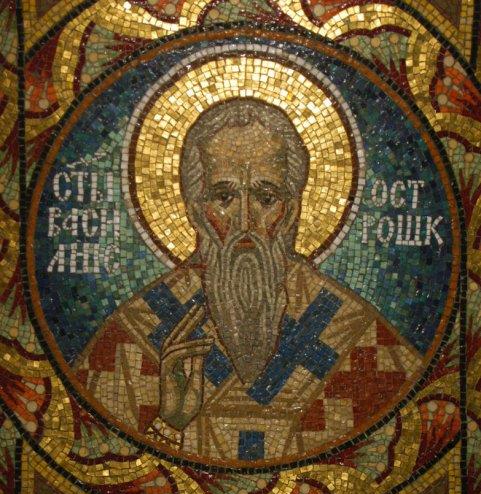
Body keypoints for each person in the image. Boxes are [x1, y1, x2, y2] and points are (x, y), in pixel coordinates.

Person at [75, 98, 422, 462]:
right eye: (224, 196)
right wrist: (168, 424)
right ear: (195, 211)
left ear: (291, 211)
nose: (244, 220)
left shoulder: (352, 332)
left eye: (265, 197)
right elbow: (102, 462)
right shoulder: (136, 333)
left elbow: (386, 454)